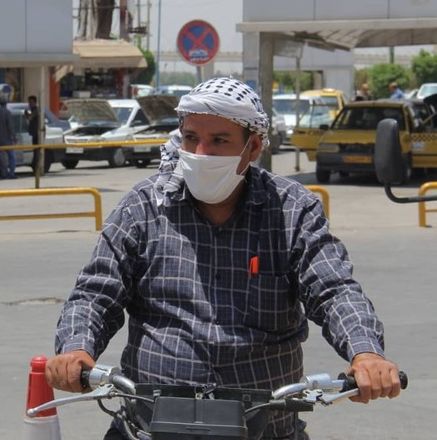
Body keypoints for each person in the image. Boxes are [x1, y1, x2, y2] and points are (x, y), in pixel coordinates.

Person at [46, 77, 402, 440]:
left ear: (253, 147)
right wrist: (76, 348)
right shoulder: (145, 206)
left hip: (267, 428)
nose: (201, 152)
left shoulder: (292, 209)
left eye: (219, 140)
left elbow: (333, 289)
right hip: (151, 427)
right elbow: (96, 292)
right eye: (191, 138)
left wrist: (366, 353)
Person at [0, 96, 16, 179]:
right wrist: (13, 136)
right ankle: (11, 173)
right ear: (6, 103)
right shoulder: (7, 112)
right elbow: (10, 126)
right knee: (11, 155)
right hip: (6, 138)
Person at [24, 95, 40, 171]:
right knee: (35, 150)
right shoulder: (31, 110)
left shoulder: (36, 110)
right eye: (29, 102)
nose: (29, 104)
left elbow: (30, 118)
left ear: (35, 102)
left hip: (38, 133)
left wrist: (27, 114)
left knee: (37, 150)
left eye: (31, 102)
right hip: (34, 133)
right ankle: (35, 166)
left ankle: (37, 166)